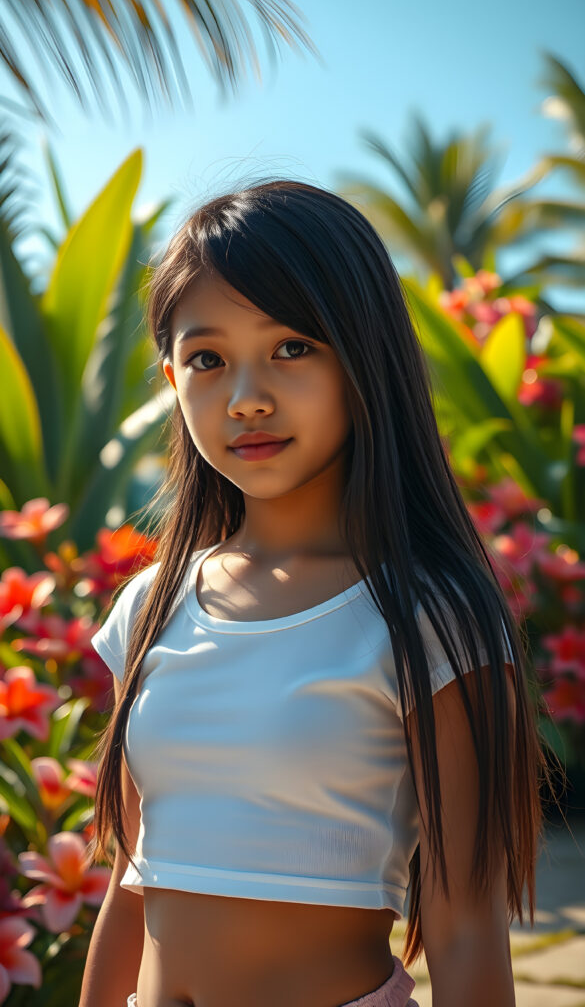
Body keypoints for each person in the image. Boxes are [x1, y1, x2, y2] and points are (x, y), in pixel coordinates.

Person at [79, 179, 546, 1007]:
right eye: (207, 359)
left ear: (364, 355)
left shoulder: (428, 621)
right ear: (172, 377)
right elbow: (131, 877)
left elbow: (463, 918)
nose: (245, 396)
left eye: (292, 347)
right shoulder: (148, 608)